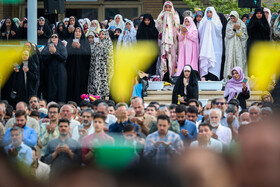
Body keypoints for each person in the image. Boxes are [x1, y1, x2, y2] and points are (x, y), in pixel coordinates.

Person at [156, 1, 180, 80]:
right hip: (163, 41)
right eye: (166, 7)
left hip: (172, 41)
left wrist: (171, 18)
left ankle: (171, 76)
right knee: (163, 58)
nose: (168, 9)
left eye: (169, 7)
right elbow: (157, 25)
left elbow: (177, 26)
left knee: (172, 58)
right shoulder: (161, 15)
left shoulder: (175, 14)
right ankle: (163, 77)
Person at [66, 26, 91, 104]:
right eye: (76, 31)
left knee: (81, 85)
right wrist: (72, 47)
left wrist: (80, 47)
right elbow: (66, 54)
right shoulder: (70, 41)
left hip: (82, 69)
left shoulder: (85, 42)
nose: (77, 33)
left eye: (79, 32)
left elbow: (88, 54)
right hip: (71, 68)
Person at [41, 33, 68, 103]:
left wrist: (55, 52)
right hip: (50, 73)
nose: (54, 38)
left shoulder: (62, 47)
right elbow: (44, 59)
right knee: (50, 91)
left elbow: (64, 57)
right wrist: (51, 53)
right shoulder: (46, 48)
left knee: (61, 91)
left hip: (60, 73)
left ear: (58, 38)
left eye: (55, 37)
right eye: (52, 37)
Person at [87, 29, 114, 99]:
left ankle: (102, 98)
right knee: (95, 83)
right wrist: (96, 46)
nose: (101, 36)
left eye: (103, 34)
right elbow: (91, 53)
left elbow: (109, 55)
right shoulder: (96, 43)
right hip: (95, 67)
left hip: (104, 67)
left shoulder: (109, 43)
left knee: (103, 84)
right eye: (100, 34)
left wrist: (100, 47)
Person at [198, 7, 223, 81]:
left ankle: (213, 78)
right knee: (205, 62)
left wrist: (211, 23)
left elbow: (219, 31)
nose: (209, 14)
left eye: (210, 12)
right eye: (207, 12)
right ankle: (205, 78)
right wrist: (206, 23)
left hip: (215, 47)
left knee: (214, 65)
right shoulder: (203, 21)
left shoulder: (217, 22)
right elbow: (200, 31)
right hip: (205, 47)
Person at [224, 11, 248, 80]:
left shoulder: (242, 24)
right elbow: (227, 35)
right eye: (231, 18)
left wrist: (238, 30)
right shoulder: (229, 24)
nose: (232, 19)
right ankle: (229, 78)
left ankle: (240, 78)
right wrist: (234, 29)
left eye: (234, 18)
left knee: (239, 60)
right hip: (231, 46)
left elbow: (244, 37)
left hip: (239, 46)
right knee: (230, 60)